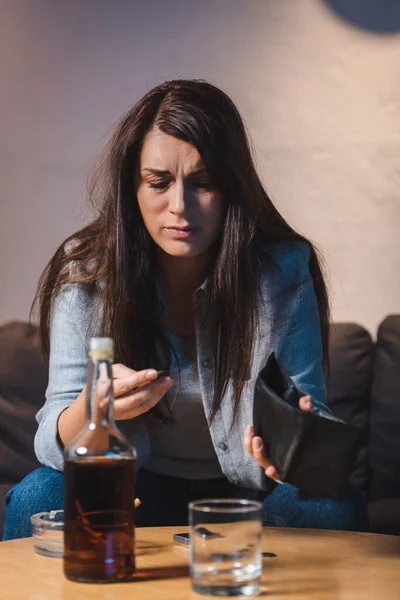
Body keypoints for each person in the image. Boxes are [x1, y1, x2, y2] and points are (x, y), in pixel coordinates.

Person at [3, 79, 368, 540]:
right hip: (130, 490)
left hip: (251, 495)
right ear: (131, 188)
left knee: (333, 507)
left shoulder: (281, 270)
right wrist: (95, 410)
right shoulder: (86, 273)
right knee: (40, 495)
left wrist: (296, 445)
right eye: (158, 182)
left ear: (232, 188)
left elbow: (311, 412)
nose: (180, 206)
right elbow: (51, 442)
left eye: (203, 183)